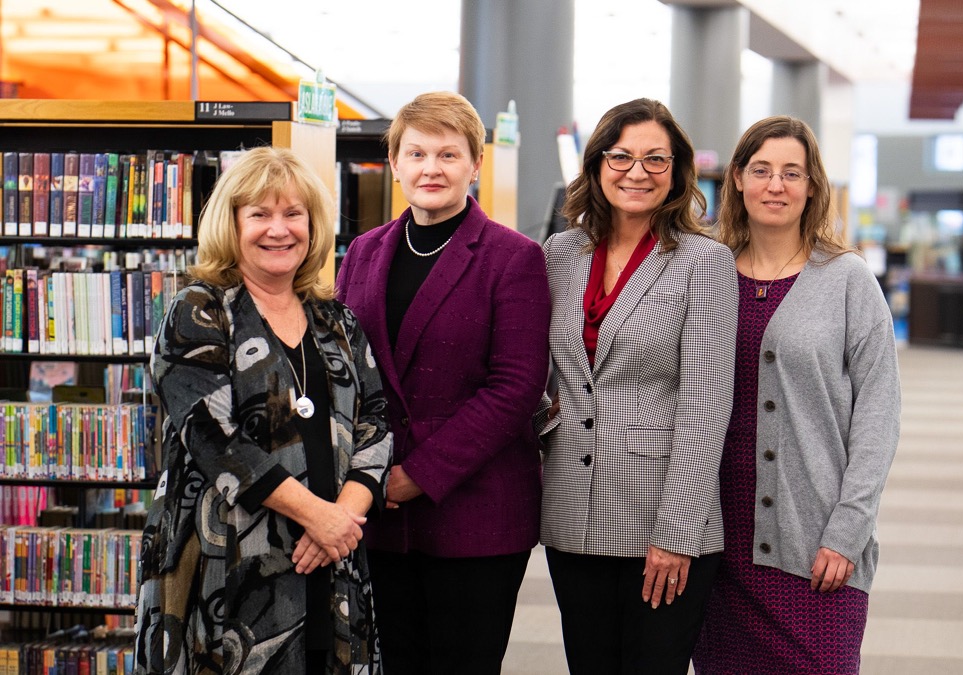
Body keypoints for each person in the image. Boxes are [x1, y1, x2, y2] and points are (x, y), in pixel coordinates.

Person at [134, 146, 392, 674]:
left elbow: (376, 423)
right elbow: (215, 441)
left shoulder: (335, 319)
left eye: (293, 213)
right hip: (225, 568)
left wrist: (341, 517)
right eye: (260, 214)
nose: (279, 229)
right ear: (232, 225)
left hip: (331, 562)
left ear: (313, 225)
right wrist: (320, 517)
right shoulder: (199, 312)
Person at [335, 91, 551, 675]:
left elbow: (516, 386)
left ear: (474, 165)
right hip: (375, 508)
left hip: (474, 510)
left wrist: (416, 477)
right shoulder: (362, 252)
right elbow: (343, 367)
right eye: (418, 153)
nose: (432, 168)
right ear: (396, 162)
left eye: (449, 155)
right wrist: (372, 476)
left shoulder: (514, 258)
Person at [692, 116, 901, 674]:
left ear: (812, 187)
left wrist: (848, 532)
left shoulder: (848, 280)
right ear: (737, 178)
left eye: (792, 173)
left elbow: (878, 416)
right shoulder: (705, 271)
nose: (775, 185)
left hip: (817, 544)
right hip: (716, 542)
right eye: (761, 170)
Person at [536, 97, 738, 673]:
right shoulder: (560, 254)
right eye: (622, 156)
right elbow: (542, 372)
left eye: (656, 159)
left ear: (676, 171)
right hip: (573, 512)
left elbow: (706, 405)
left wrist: (677, 533)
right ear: (598, 164)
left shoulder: (703, 261)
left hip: (663, 518)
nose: (637, 172)